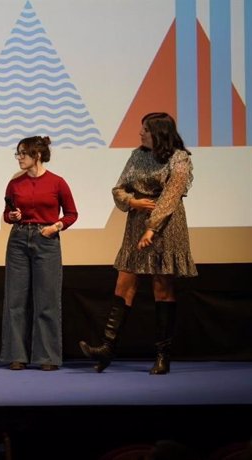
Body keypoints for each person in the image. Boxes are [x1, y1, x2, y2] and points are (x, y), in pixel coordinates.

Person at [79, 112, 198, 374]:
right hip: (135, 224)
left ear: (160, 132)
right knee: (124, 282)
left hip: (166, 226)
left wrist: (152, 229)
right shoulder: (137, 155)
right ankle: (108, 348)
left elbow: (170, 197)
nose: (140, 133)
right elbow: (119, 188)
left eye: (145, 129)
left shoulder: (179, 159)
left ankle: (162, 356)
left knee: (161, 286)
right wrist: (132, 202)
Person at [0, 136, 78, 371]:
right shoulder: (15, 183)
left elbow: (72, 214)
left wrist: (56, 226)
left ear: (38, 155)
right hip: (19, 239)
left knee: (47, 300)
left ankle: (47, 356)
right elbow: (7, 213)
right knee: (15, 300)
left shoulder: (57, 182)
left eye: (23, 153)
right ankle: (17, 355)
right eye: (18, 153)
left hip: (47, 239)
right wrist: (12, 216)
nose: (19, 158)